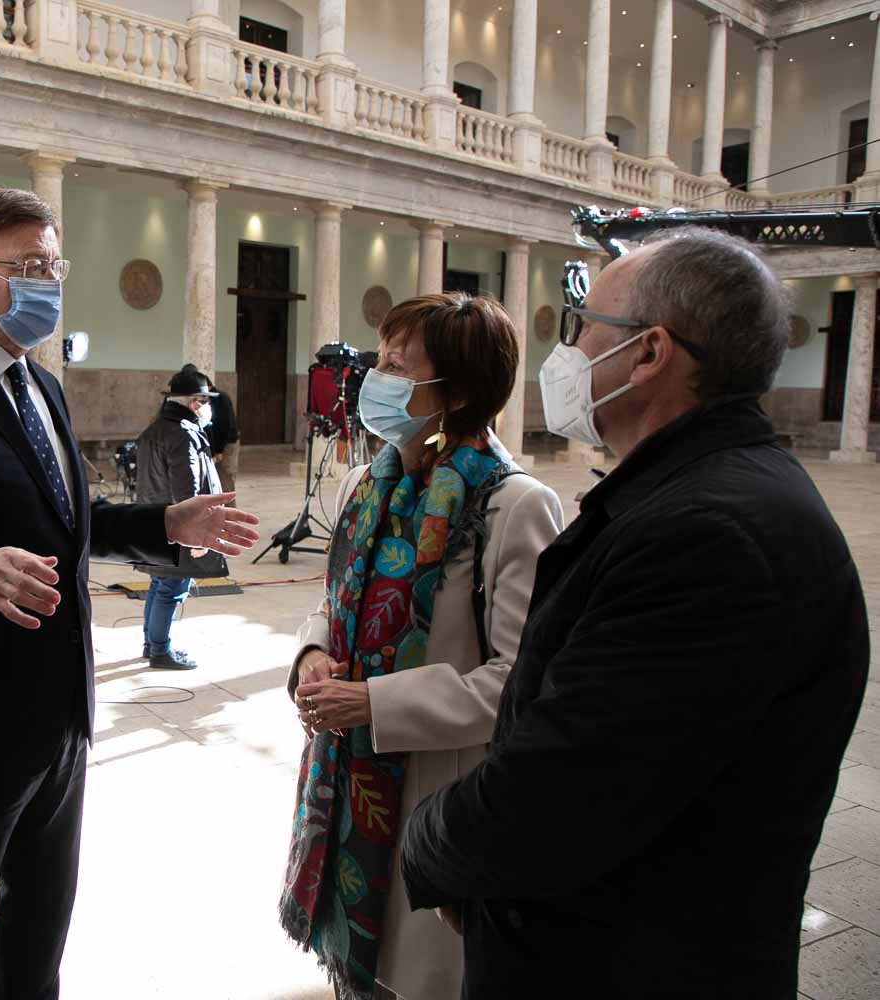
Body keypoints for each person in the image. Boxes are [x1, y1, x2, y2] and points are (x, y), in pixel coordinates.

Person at [400, 229, 870, 998]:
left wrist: (426, 844)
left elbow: (561, 793)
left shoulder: (708, 535)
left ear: (648, 352)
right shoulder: (698, 493)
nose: (568, 350)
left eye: (582, 325)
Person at [0, 187, 260, 1000]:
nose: (49, 285)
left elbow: (67, 522)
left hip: (61, 721)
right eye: (29, 267)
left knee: (37, 945)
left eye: (54, 267)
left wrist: (166, 521)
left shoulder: (42, 385)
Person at [279, 293, 565, 1000]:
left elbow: (519, 680)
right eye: (379, 360)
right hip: (344, 780)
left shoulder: (512, 505)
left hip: (436, 789)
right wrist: (313, 654)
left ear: (457, 393)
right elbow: (334, 602)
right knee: (359, 972)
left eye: (398, 367)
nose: (375, 379)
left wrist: (373, 703)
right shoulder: (365, 484)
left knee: (421, 979)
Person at [133, 365, 225, 670]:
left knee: (159, 584)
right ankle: (160, 651)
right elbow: (187, 490)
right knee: (171, 589)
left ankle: (152, 644)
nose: (208, 408)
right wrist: (197, 535)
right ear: (195, 402)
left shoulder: (154, 430)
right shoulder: (183, 434)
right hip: (176, 525)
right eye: (206, 401)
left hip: (153, 519)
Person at [201, 367, 241, 491]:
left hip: (227, 443)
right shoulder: (206, 400)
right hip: (217, 444)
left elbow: (225, 426)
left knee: (226, 475)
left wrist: (219, 451)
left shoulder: (221, 398)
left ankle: (229, 502)